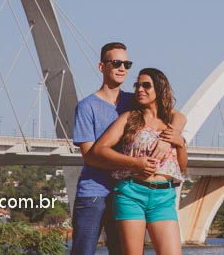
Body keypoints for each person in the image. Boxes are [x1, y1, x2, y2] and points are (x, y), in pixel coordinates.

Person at [70, 43, 174, 255]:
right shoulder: (87, 106)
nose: (122, 68)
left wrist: (169, 138)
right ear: (102, 66)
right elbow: (90, 157)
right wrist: (135, 164)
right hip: (94, 193)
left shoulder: (134, 101)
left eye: (127, 64)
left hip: (128, 193)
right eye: (116, 63)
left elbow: (174, 115)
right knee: (83, 251)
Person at [93, 68, 188, 255]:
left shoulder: (170, 124)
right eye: (137, 85)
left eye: (146, 85)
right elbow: (99, 149)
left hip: (164, 197)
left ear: (159, 89)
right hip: (132, 194)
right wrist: (134, 163)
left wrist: (180, 143)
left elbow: (182, 166)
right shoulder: (129, 118)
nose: (140, 89)